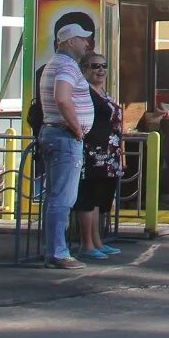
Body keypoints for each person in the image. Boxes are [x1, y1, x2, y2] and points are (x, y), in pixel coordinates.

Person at [37, 21, 95, 269]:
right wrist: (76, 128)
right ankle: (59, 253)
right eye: (82, 39)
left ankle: (54, 249)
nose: (86, 43)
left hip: (54, 133)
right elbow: (62, 98)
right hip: (64, 137)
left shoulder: (56, 63)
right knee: (63, 197)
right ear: (70, 41)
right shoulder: (66, 66)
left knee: (54, 196)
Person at [72, 53, 125, 260]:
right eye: (95, 66)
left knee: (99, 199)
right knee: (88, 197)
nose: (100, 70)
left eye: (103, 66)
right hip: (91, 152)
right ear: (84, 69)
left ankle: (97, 241)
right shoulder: (84, 91)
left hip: (109, 152)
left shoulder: (102, 91)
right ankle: (86, 244)